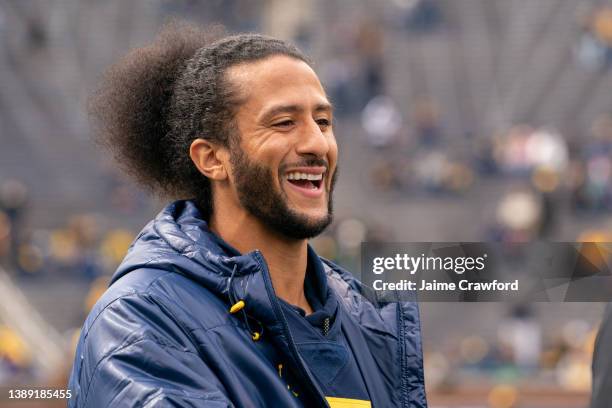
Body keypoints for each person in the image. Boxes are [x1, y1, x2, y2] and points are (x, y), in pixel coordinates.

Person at [68, 22, 427, 408]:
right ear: (212, 158)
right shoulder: (142, 325)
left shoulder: (367, 321)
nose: (316, 143)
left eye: (322, 121)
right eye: (284, 122)